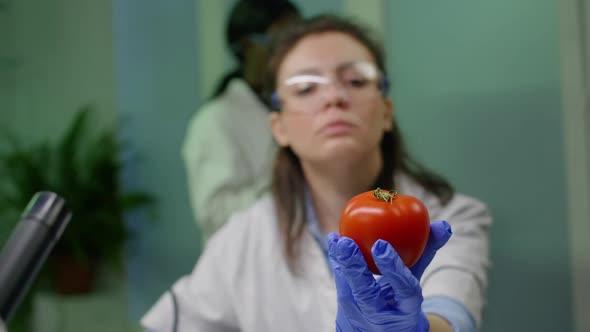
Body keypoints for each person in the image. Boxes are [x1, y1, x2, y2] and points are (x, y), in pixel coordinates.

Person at [143, 14, 491, 332]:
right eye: (306, 88)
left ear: (386, 112)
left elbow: (453, 314)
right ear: (279, 128)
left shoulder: (450, 216)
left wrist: (417, 329)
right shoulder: (243, 238)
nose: (334, 97)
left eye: (355, 80)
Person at [181, 0, 301, 240]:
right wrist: (287, 181)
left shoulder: (294, 106)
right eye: (281, 40)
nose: (291, 53)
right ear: (249, 46)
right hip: (247, 262)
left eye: (297, 42)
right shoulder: (215, 120)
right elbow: (215, 214)